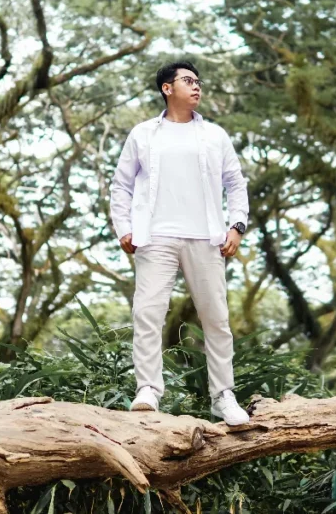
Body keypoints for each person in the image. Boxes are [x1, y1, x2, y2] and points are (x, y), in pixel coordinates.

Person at [109, 61, 250, 425]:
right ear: (167, 88)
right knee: (147, 313)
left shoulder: (215, 135)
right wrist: (123, 227)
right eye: (188, 81)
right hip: (155, 237)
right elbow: (121, 185)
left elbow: (235, 183)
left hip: (207, 238)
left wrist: (237, 226)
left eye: (198, 81)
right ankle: (148, 391)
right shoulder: (143, 134)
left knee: (216, 318)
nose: (196, 86)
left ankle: (223, 396)